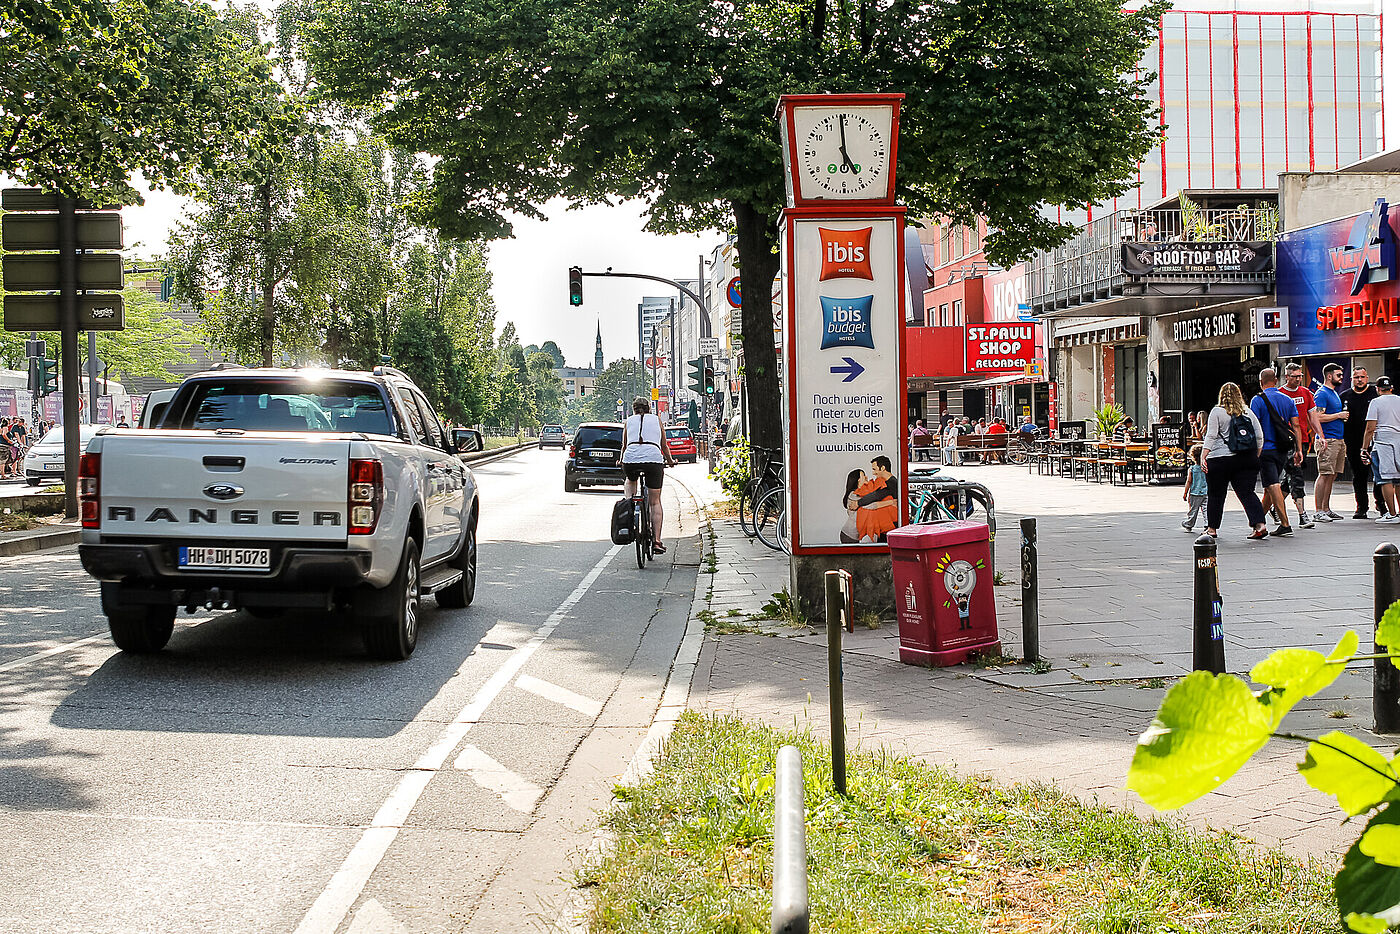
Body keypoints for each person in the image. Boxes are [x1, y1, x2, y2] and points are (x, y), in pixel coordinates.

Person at [1202, 382, 1268, 540]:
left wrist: (1203, 455)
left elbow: (1211, 435)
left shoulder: (1217, 411)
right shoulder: (1248, 412)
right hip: (1245, 459)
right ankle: (1260, 525)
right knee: (1247, 493)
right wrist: (1255, 454)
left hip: (1219, 459)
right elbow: (1259, 436)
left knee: (1216, 494)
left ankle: (1212, 529)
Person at [1250, 367, 1304, 536]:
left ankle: (1285, 524)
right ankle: (1258, 524)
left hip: (1265, 449)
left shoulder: (1257, 400)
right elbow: (1296, 425)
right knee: (1269, 488)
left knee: (1273, 485)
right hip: (1282, 449)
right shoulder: (1288, 400)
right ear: (1276, 381)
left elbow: (1254, 426)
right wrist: (1299, 449)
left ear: (1261, 382)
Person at [620, 396, 676, 553]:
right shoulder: (656, 420)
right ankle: (657, 541)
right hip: (653, 460)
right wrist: (670, 461)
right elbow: (664, 445)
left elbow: (624, 446)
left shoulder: (628, 421)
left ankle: (630, 506)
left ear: (634, 409)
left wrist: (620, 461)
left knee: (630, 481)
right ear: (649, 409)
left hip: (630, 460)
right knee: (655, 502)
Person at [1276, 361, 1320, 528]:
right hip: (1287, 441)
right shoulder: (1280, 394)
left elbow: (1312, 416)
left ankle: (1274, 506)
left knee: (1291, 477)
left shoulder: (1306, 393)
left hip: (1303, 440)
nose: (1299, 379)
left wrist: (1320, 435)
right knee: (1297, 477)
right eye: (1295, 377)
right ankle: (1302, 515)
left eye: (1300, 376)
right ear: (1287, 377)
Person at [1342, 367, 1386, 518]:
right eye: (1356, 377)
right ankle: (1361, 507)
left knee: (1379, 475)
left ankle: (1380, 503)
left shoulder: (1375, 394)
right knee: (1359, 476)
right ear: (1351, 379)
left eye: (1362, 377)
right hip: (1353, 443)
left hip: (1376, 441)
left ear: (1367, 378)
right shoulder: (1345, 396)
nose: (1359, 380)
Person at [1310, 362, 1349, 522]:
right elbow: (1317, 416)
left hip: (1338, 439)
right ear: (1329, 376)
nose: (1341, 377)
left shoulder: (1334, 393)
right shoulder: (1322, 394)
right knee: (1324, 474)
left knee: (1332, 475)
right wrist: (1338, 415)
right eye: (1338, 375)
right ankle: (1318, 511)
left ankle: (1326, 508)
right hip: (1327, 440)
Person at [1362, 377, 1400, 524]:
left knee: (1385, 479)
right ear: (1392, 388)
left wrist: (1364, 448)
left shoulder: (1375, 402)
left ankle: (1391, 514)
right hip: (1399, 440)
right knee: (1398, 480)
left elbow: (1370, 427)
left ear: (1378, 389)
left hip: (1383, 442)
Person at [853, 455, 899, 542]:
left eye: (874, 469)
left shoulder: (891, 484)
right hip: (887, 527)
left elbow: (876, 496)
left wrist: (858, 503)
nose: (873, 473)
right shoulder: (889, 482)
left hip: (890, 528)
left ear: (882, 468)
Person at [1182, 443, 1208, 532]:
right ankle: (1207, 523)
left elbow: (1189, 481)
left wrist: (1185, 492)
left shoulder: (1192, 469)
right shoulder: (1206, 468)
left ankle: (1189, 523)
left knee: (1193, 509)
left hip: (1195, 492)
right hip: (1206, 491)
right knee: (1206, 509)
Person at [839, 469, 864, 544]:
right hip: (848, 535)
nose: (866, 478)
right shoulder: (853, 494)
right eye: (863, 476)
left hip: (852, 535)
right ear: (858, 480)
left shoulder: (860, 493)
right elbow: (870, 504)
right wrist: (890, 502)